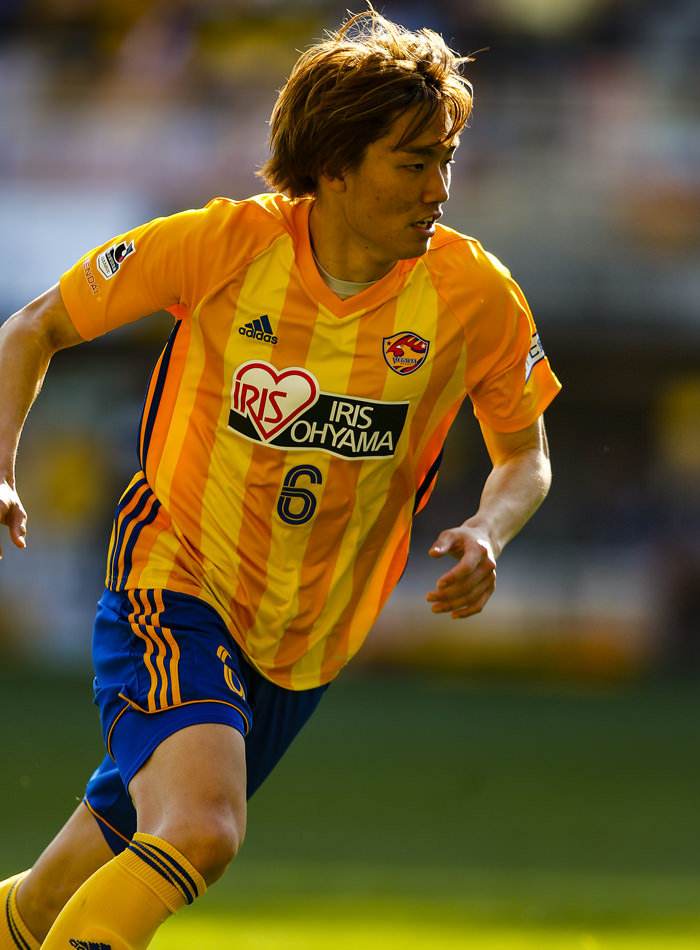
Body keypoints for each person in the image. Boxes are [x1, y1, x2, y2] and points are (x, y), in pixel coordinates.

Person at [0, 7, 560, 950]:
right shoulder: (224, 245)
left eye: (446, 160)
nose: (439, 188)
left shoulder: (476, 297)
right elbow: (32, 328)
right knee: (202, 830)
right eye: (413, 163)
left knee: (61, 888)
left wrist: (488, 530)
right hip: (177, 577)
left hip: (308, 637)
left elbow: (525, 456)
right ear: (335, 166)